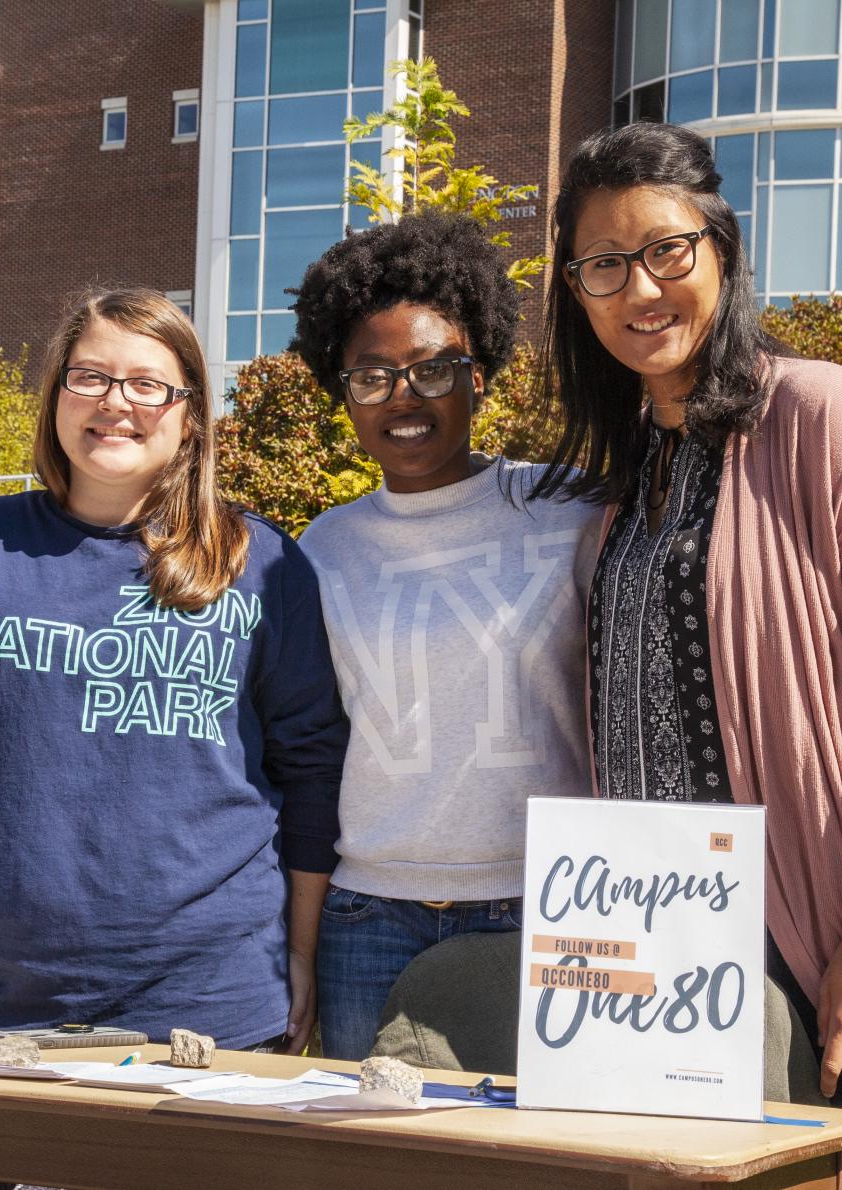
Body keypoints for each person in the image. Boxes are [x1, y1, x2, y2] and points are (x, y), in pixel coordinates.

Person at [0, 287, 347, 1052]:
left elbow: (313, 767)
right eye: (89, 377)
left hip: (213, 1005)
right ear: (56, 394)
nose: (115, 402)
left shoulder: (262, 563)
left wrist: (302, 951)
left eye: (147, 384)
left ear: (189, 415)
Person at [533, 120, 842, 1101]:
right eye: (603, 264)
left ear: (722, 247)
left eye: (666, 250)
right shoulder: (625, 476)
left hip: (793, 935)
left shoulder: (816, 418)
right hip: (646, 959)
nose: (639, 289)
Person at [291, 212, 601, 1060]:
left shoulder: (570, 509)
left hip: (549, 905)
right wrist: (304, 940)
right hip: (368, 918)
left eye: (435, 369)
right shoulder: (319, 549)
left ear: (482, 375)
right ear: (342, 392)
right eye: (373, 376)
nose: (404, 396)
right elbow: (311, 752)